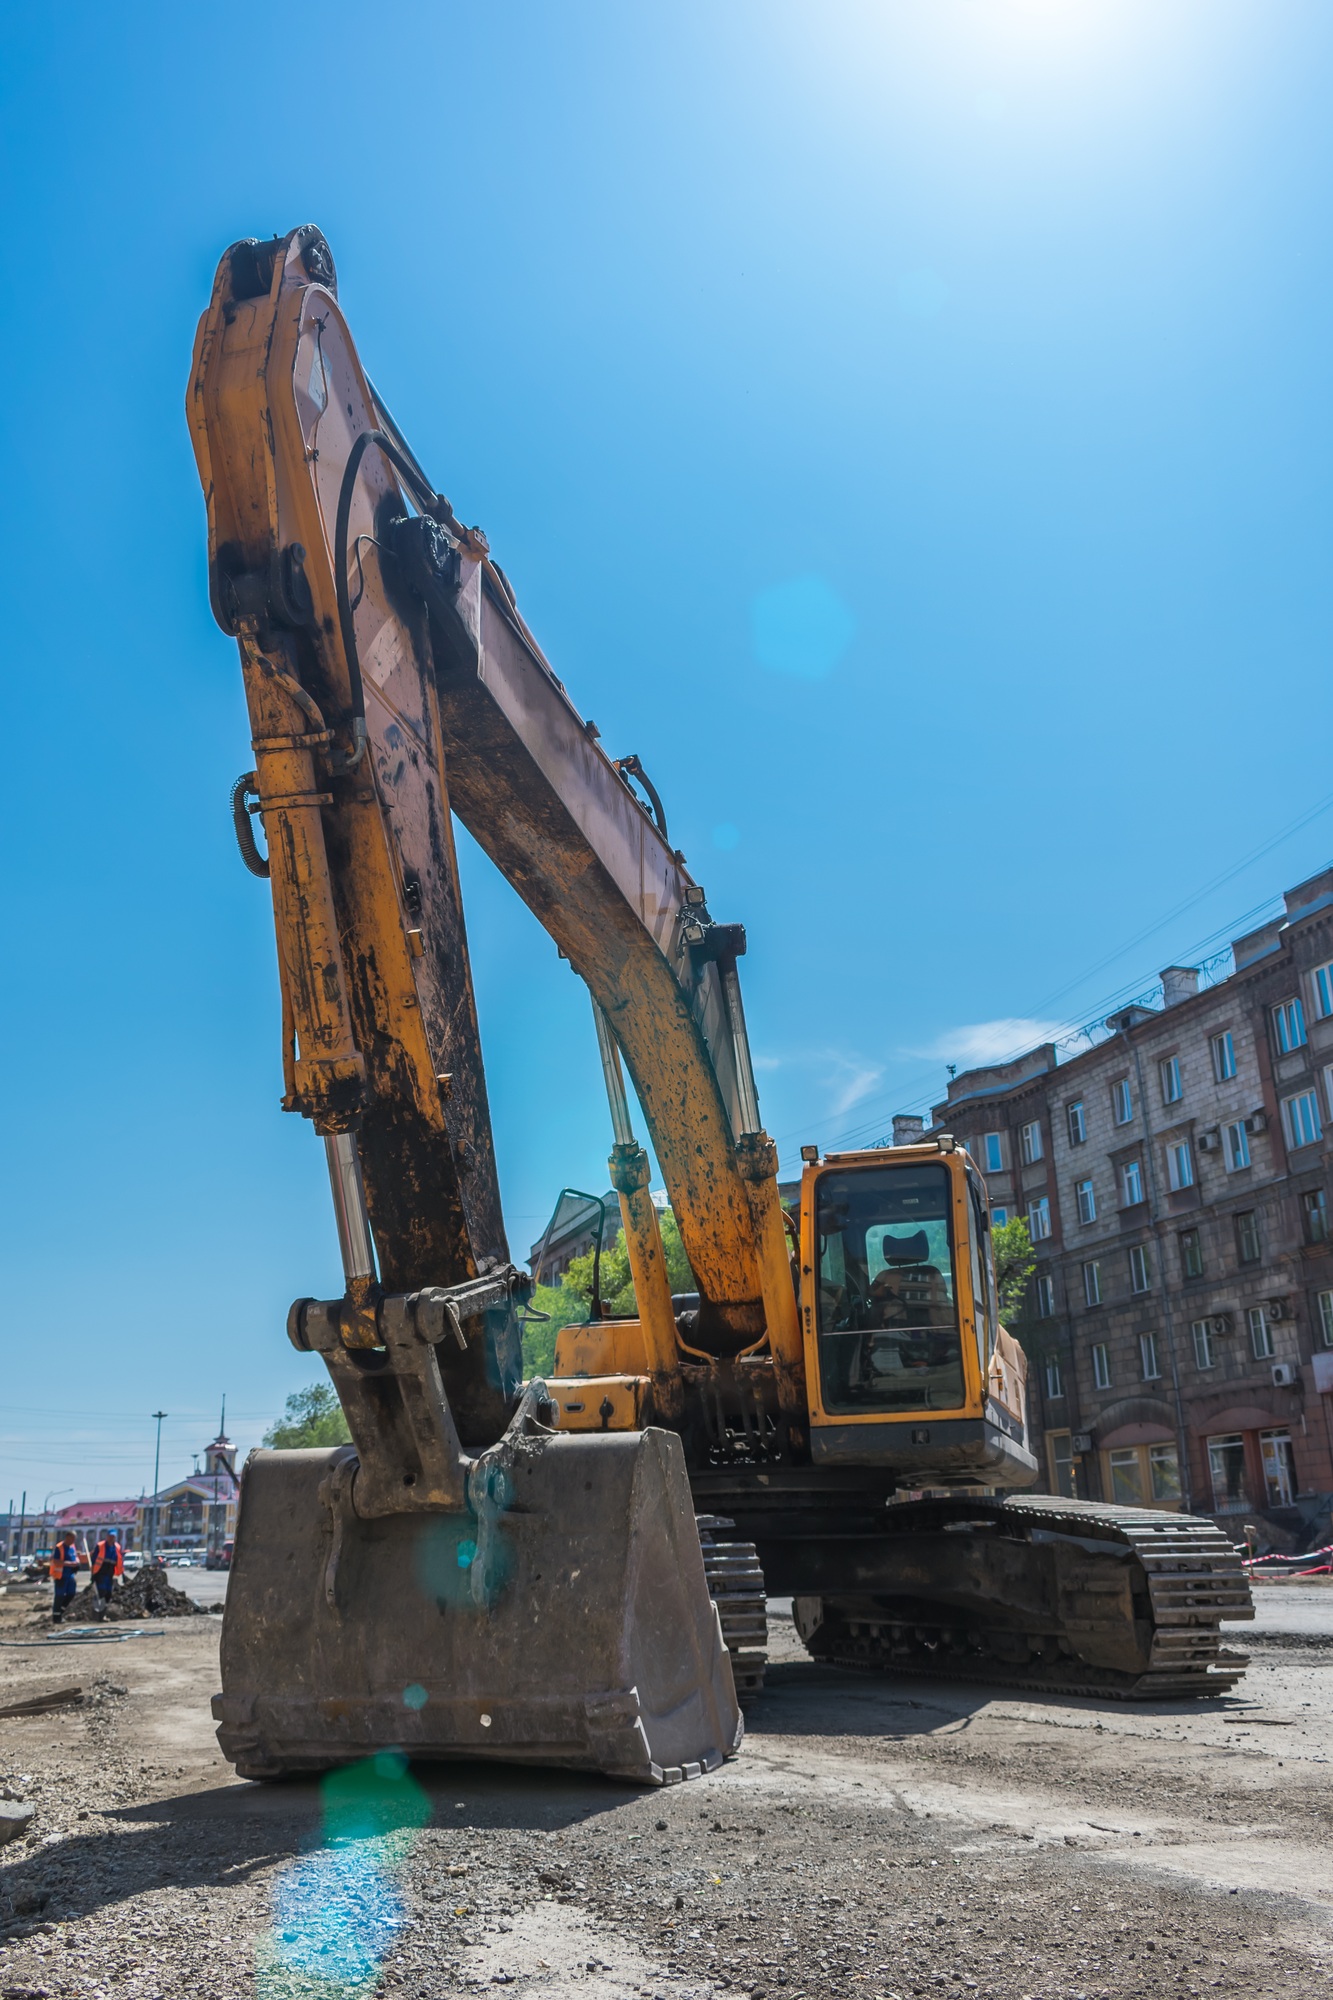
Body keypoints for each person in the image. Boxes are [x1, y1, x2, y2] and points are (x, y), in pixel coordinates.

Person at [90, 1529, 124, 1619]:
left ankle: (103, 1614)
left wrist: (121, 1571)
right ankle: (99, 1615)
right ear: (107, 1536)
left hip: (110, 1573)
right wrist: (93, 1574)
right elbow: (94, 1560)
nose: (111, 1538)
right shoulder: (100, 1546)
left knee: (108, 1594)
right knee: (101, 1592)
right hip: (100, 1572)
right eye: (110, 1536)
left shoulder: (117, 1547)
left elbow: (119, 1559)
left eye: (113, 1537)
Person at [48, 1532, 81, 1625]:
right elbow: (56, 1561)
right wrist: (71, 1564)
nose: (74, 1541)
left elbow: (75, 1556)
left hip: (70, 1575)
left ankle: (61, 1611)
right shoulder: (59, 1547)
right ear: (67, 1537)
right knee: (59, 1596)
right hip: (60, 1575)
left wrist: (77, 1562)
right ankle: (56, 1617)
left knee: (71, 1593)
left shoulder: (72, 1547)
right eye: (72, 1538)